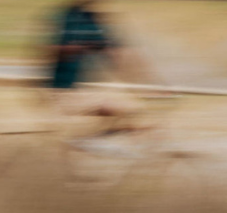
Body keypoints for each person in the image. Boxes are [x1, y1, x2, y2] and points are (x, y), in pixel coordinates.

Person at [44, 0, 156, 136]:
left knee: (126, 112)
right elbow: (117, 55)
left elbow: (116, 55)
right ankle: (87, 142)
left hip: (66, 92)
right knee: (131, 112)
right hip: (65, 95)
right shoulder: (79, 19)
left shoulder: (75, 16)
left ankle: (90, 140)